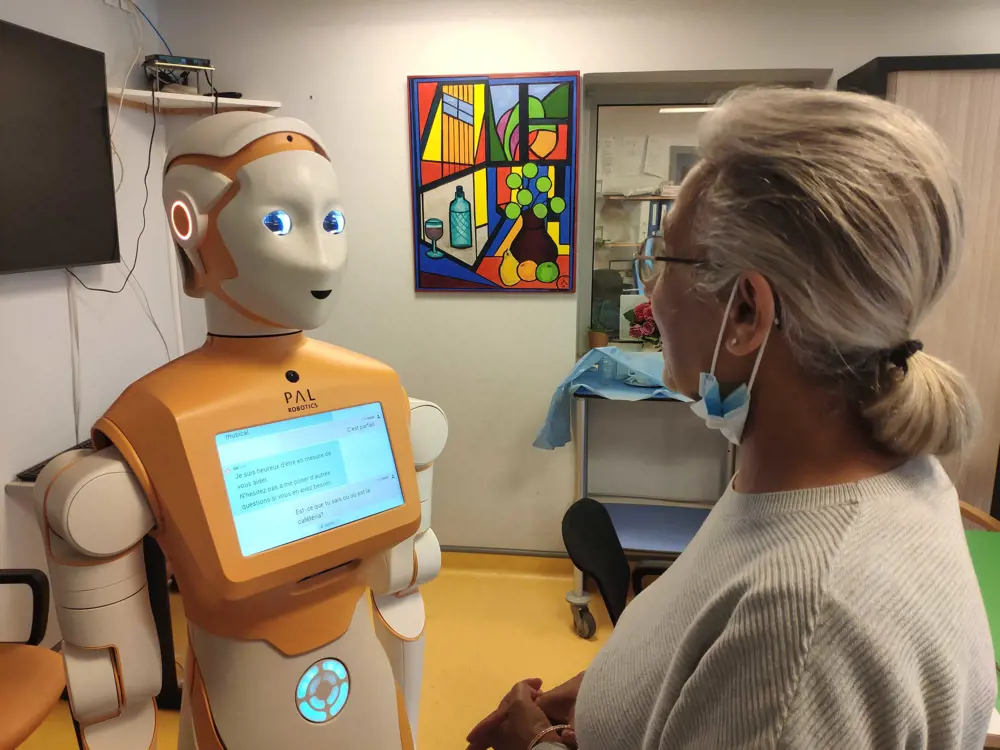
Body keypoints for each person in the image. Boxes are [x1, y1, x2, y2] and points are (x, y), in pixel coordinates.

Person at [466, 86, 997, 750]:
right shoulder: (820, 477)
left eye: (662, 261)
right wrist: (612, 697)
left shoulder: (806, 628)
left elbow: (776, 678)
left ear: (746, 310)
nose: (651, 295)